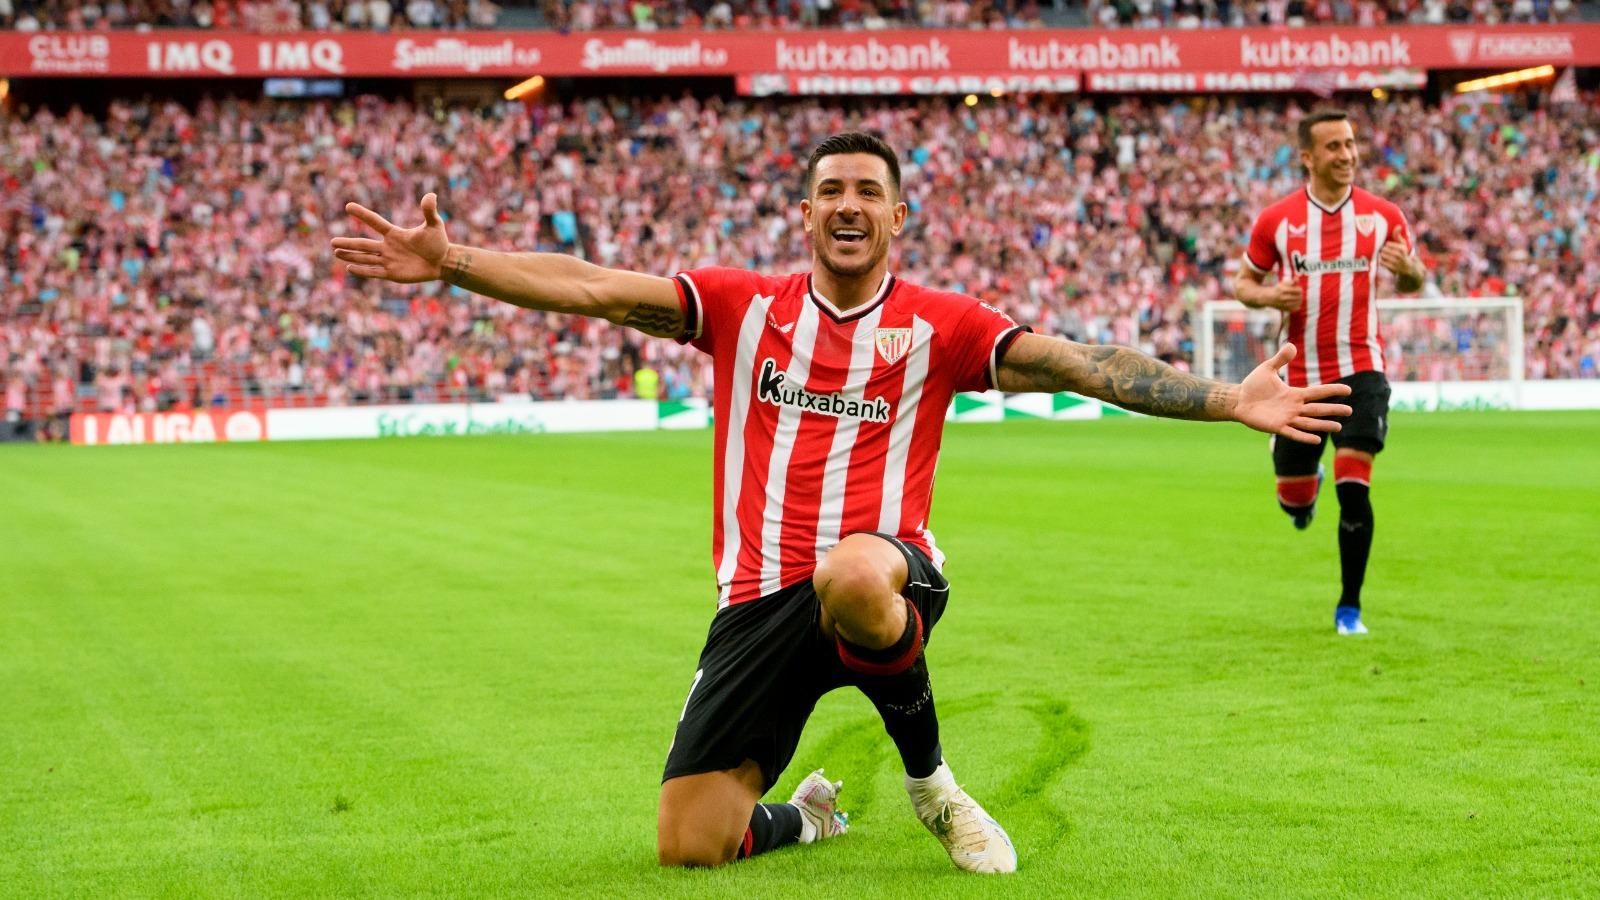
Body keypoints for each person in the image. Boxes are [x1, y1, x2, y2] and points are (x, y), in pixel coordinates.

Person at [331, 132, 1351, 873]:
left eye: (869, 189)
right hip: (755, 601)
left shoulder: (940, 324)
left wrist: (1224, 399)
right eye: (831, 191)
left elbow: (1080, 362)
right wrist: (454, 264)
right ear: (808, 214)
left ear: (897, 215)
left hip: (883, 569)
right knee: (690, 842)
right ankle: (811, 816)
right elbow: (594, 286)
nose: (850, 204)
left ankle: (933, 787)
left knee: (853, 568)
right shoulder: (741, 307)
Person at [1234, 110, 1426, 636]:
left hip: (1362, 368)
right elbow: (1242, 284)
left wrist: (1409, 272)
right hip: (1298, 376)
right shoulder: (1278, 220)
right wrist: (1269, 294)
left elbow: (1414, 277)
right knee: (1293, 500)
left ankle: (1349, 608)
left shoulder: (1384, 215)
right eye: (1334, 147)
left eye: (1350, 144)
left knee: (1355, 486)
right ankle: (1301, 485)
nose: (1346, 155)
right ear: (1308, 157)